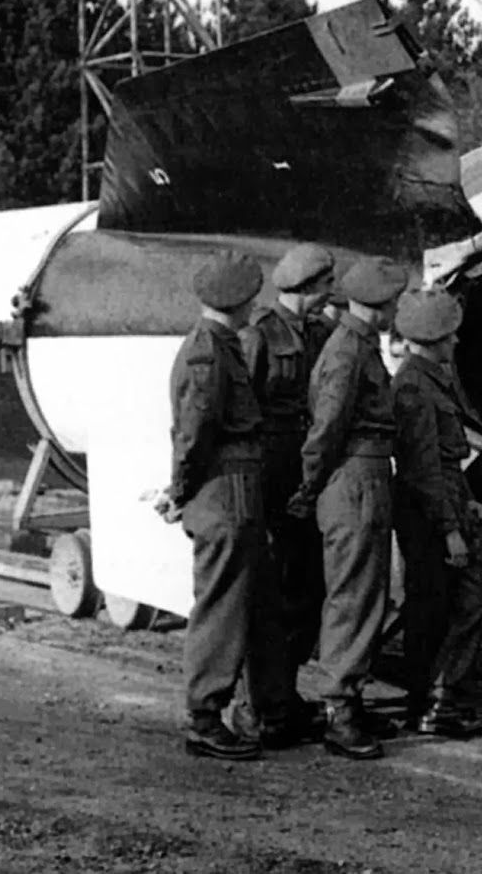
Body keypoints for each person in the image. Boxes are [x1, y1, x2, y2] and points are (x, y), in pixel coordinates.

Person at [151, 250, 271, 761]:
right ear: (239, 301)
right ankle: (204, 715)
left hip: (233, 487)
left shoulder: (220, 345)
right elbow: (195, 433)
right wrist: (179, 491)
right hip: (225, 491)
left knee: (233, 601)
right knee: (221, 604)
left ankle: (219, 710)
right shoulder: (209, 352)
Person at [290, 255, 409, 759]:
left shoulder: (360, 344)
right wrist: (309, 486)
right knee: (353, 597)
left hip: (366, 478)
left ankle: (351, 701)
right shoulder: (347, 351)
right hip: (353, 482)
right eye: (393, 303)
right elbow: (326, 429)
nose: (396, 310)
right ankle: (339, 710)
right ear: (379, 307)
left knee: (368, 595)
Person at [238, 242, 336, 742]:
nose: (328, 299)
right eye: (323, 290)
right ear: (305, 289)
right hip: (271, 471)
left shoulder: (320, 332)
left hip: (307, 470)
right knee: (272, 589)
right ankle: (260, 704)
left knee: (307, 587)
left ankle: (284, 692)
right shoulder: (259, 336)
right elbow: (241, 413)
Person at [391, 287, 482, 738]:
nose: (455, 343)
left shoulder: (431, 378)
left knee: (454, 602)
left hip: (448, 497)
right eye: (448, 337)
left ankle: (438, 697)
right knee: (439, 606)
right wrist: (449, 529)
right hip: (430, 510)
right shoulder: (414, 387)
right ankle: (432, 701)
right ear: (431, 339)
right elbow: (423, 468)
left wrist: (466, 499)